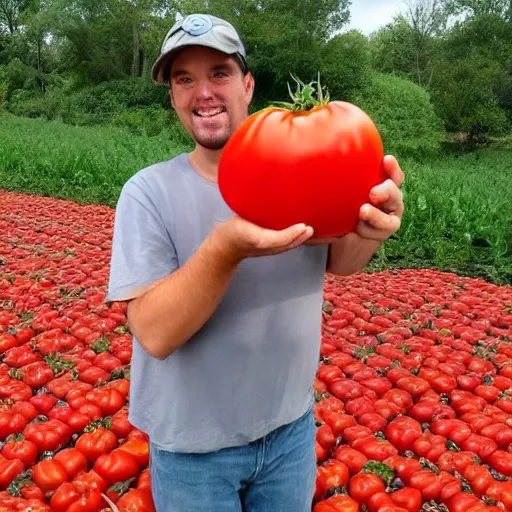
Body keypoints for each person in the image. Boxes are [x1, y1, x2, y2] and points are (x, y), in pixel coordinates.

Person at [106, 12, 405, 512]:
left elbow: (342, 261)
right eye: (184, 79)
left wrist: (369, 229)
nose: (202, 91)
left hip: (290, 428)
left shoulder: (311, 160)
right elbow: (154, 334)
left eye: (218, 73)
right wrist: (226, 249)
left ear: (247, 84)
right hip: (193, 449)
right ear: (173, 97)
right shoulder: (148, 193)